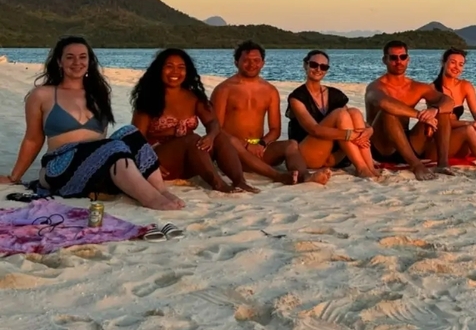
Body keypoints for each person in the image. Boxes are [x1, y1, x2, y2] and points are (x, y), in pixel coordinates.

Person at [0, 36, 184, 210]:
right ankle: (151, 198)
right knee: (113, 146)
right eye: (69, 57)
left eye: (82, 57)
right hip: (59, 166)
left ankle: (161, 190)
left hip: (95, 165)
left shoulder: (99, 93)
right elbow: (33, 139)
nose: (76, 62)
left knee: (130, 132)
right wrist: (15, 176)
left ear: (89, 62)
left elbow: (100, 138)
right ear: (59, 62)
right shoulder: (42, 94)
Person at [131, 48, 260, 194]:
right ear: (159, 70)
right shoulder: (149, 99)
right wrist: (148, 161)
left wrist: (210, 136)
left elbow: (213, 123)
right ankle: (218, 183)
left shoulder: (194, 97)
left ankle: (239, 181)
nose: (175, 72)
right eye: (169, 66)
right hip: (161, 161)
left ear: (187, 72)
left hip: (190, 161)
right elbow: (135, 138)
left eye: (181, 68)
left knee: (220, 136)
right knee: (192, 138)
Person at [211, 41, 332, 184]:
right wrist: (245, 145)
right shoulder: (223, 90)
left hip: (259, 149)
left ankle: (305, 176)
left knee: (291, 144)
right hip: (232, 150)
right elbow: (215, 128)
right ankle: (277, 176)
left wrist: (262, 143)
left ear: (263, 63)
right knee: (231, 141)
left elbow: (275, 129)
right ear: (236, 62)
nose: (251, 64)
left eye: (256, 60)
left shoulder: (270, 91)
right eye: (246, 60)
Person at [364, 39, 455, 181]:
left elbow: (448, 101)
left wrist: (434, 111)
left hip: (408, 143)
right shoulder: (376, 87)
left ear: (408, 59)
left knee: (441, 111)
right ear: (385, 60)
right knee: (388, 112)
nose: (398, 61)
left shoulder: (416, 86)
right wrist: (420, 115)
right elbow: (384, 102)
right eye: (393, 58)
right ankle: (416, 166)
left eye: (403, 57)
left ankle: (442, 163)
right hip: (383, 147)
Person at [286, 50, 379, 179]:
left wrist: (369, 130)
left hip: (332, 156)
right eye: (314, 64)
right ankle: (361, 168)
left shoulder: (334, 94)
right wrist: (351, 135)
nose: (318, 69)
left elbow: (357, 122)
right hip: (308, 154)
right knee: (340, 113)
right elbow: (314, 130)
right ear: (305, 65)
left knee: (354, 112)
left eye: (323, 67)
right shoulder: (297, 97)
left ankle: (369, 166)